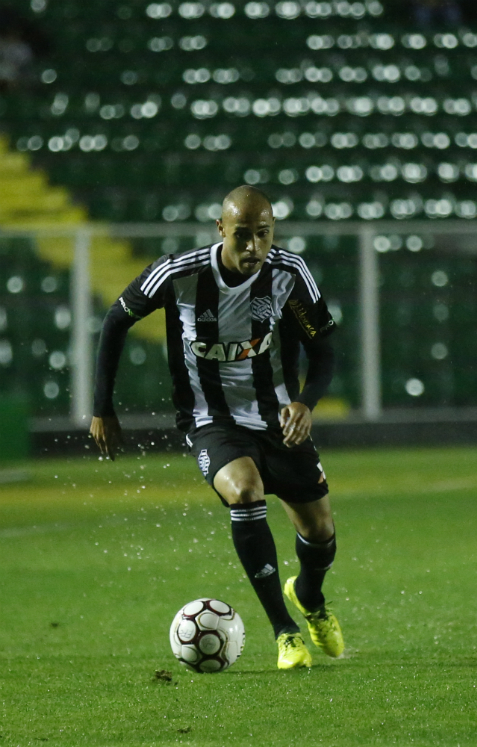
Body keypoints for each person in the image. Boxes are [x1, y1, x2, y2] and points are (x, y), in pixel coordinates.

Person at [90, 186, 345, 670]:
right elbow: (115, 320)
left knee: (320, 533)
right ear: (221, 229)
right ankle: (285, 632)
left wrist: (305, 403)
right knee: (245, 491)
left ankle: (309, 597)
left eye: (263, 234)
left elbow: (324, 350)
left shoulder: (289, 274)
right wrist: (102, 407)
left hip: (278, 418)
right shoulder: (179, 274)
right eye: (242, 235)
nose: (253, 246)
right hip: (210, 419)